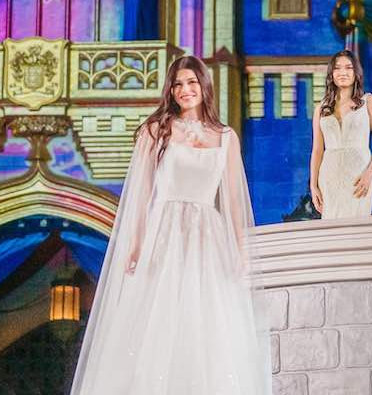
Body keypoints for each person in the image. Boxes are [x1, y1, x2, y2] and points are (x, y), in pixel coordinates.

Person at [70, 55, 271, 395]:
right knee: (157, 321)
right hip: (164, 231)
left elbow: (234, 200)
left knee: (205, 322)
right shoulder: (156, 131)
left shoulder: (225, 138)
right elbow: (142, 194)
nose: (184, 90)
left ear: (203, 86)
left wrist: (241, 250)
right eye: (178, 84)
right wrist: (135, 244)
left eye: (191, 82)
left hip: (207, 235)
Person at [309, 50, 372, 218]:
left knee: (357, 226)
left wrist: (369, 174)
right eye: (337, 68)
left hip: (359, 176)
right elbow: (317, 150)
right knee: (331, 227)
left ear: (356, 73)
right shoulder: (321, 109)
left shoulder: (369, 102)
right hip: (328, 176)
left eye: (348, 68)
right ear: (331, 74)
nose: (343, 72)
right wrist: (313, 186)